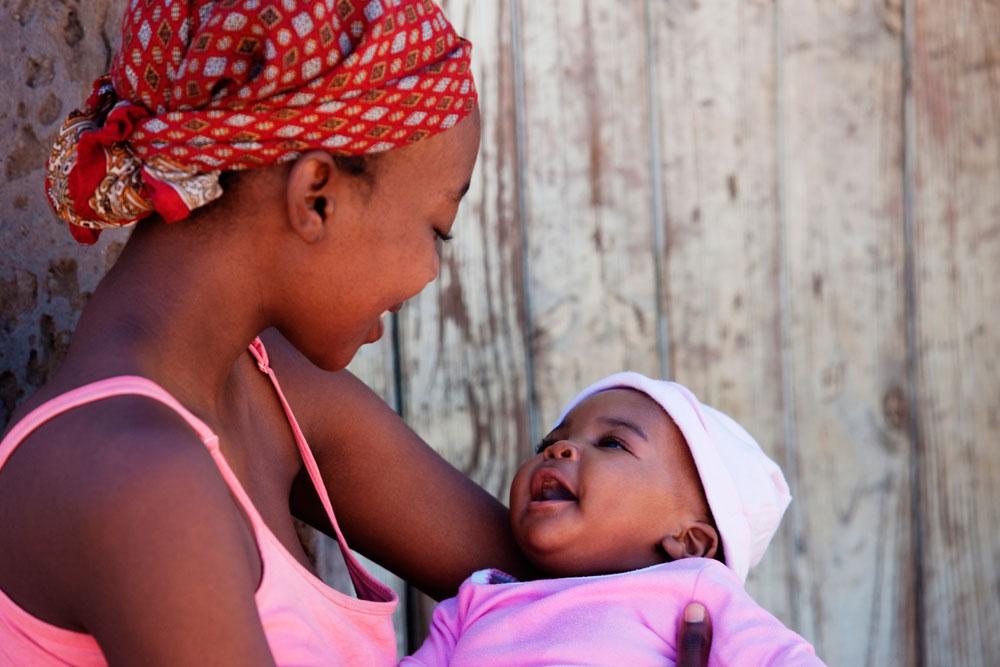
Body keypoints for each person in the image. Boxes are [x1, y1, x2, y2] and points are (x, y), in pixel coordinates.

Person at [0, 2, 713, 665]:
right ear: (317, 196)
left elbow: (574, 577)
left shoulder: (271, 384)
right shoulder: (142, 483)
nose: (431, 272)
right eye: (436, 229)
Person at [402, 372, 824, 666]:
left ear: (690, 542)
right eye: (550, 442)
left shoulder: (694, 594)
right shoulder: (477, 601)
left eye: (612, 443)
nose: (560, 449)